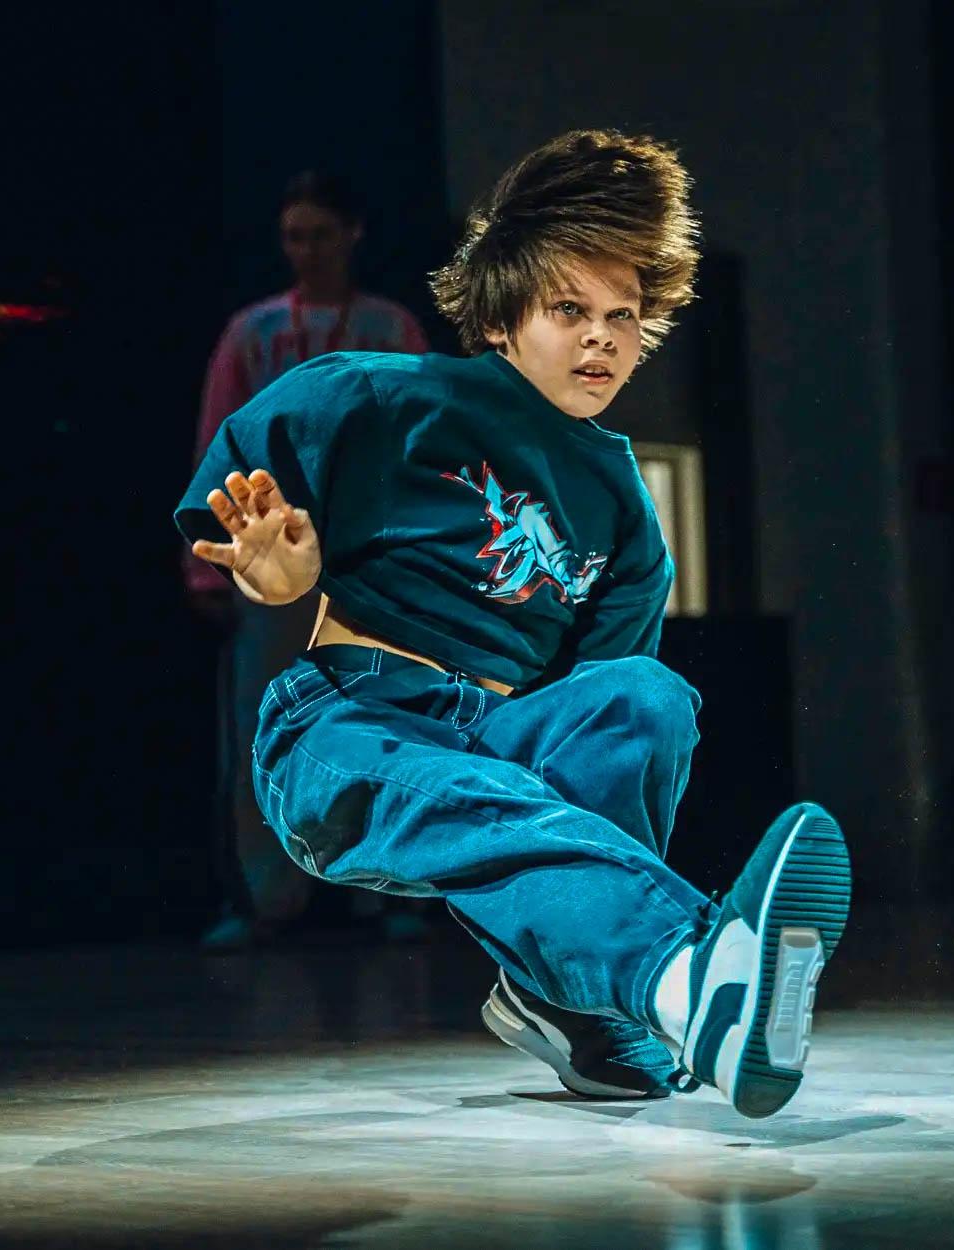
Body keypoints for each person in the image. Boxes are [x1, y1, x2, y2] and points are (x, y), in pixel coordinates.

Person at [175, 130, 851, 1116]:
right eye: (569, 310)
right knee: (468, 787)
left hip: (501, 735)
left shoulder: (622, 503)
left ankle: (566, 1000)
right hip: (349, 723)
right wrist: (285, 578)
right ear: (499, 316)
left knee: (646, 696)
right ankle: (686, 975)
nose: (599, 338)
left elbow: (604, 737)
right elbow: (239, 506)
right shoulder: (382, 396)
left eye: (621, 316)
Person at [189, 171, 429, 950]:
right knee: (262, 725)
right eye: (295, 236)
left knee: (382, 720)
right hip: (269, 562)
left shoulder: (389, 328)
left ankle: (386, 892)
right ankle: (267, 897)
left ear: (353, 234)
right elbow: (218, 442)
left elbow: (429, 443)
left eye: (321, 234)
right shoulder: (252, 332)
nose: (307, 250)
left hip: (369, 565)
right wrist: (204, 565)